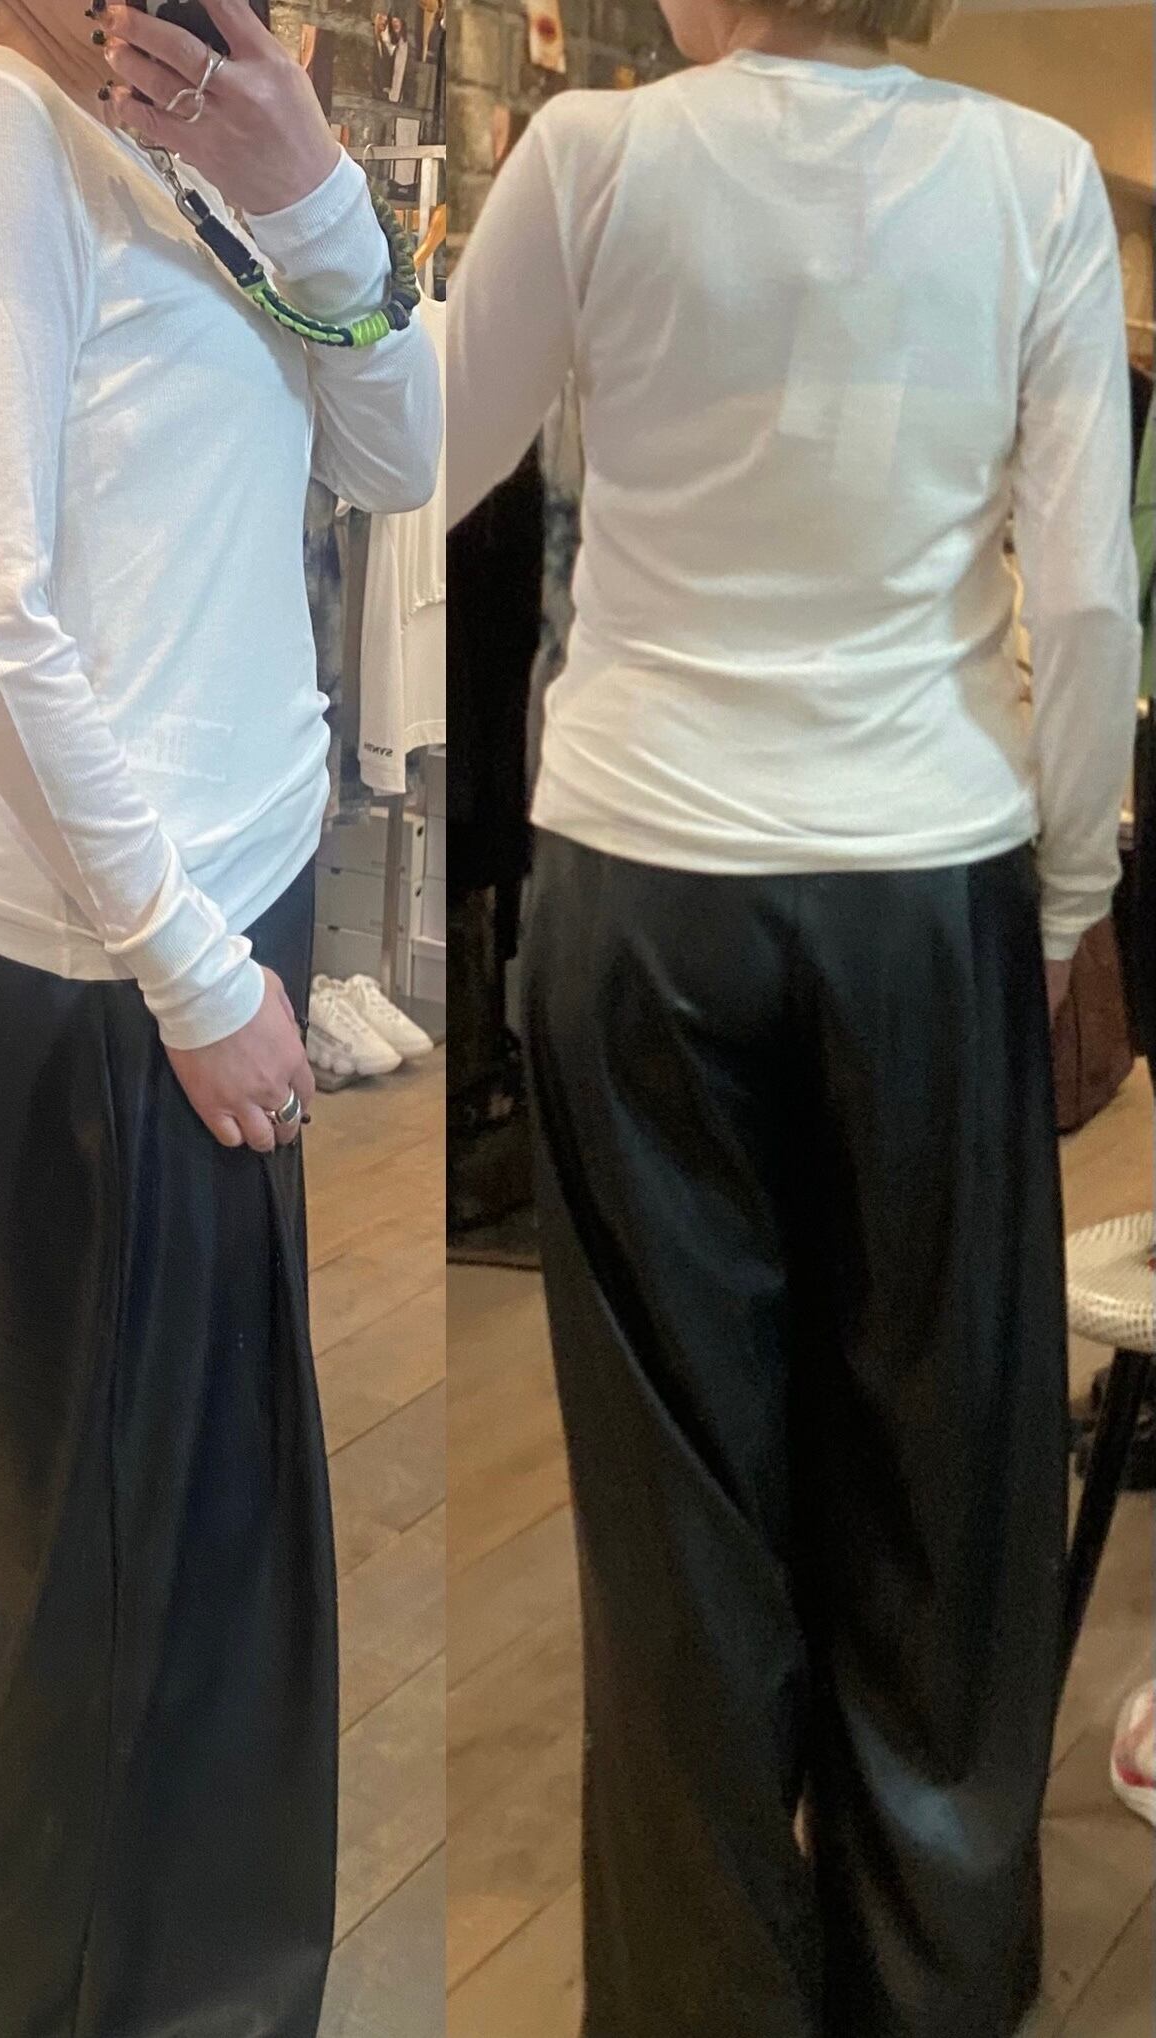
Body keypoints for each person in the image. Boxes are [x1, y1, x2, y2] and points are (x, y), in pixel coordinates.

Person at [446, 0, 1139, 2030]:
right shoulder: (1034, 181)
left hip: (641, 873)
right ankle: (932, 1995)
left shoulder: (590, 158)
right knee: (940, 1498)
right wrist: (1070, 901)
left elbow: (424, 454)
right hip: (926, 880)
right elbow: (1088, 597)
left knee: (677, 1527)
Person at [0, 0, 440, 2026]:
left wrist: (316, 195)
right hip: (117, 977)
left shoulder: (201, 137)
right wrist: (193, 974)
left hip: (207, 918)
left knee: (164, 1584)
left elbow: (403, 453)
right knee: (98, 1640)